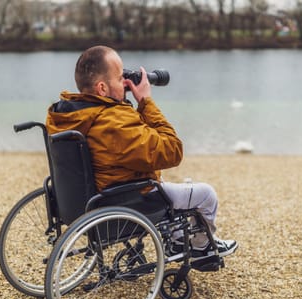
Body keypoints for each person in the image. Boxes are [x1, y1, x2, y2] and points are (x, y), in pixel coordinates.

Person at [46, 45, 237, 257]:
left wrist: (119, 99)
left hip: (81, 204)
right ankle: (201, 246)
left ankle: (177, 239)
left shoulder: (70, 114)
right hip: (124, 202)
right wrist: (145, 101)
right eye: (120, 78)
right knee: (206, 194)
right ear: (102, 88)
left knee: (165, 183)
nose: (126, 82)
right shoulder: (113, 122)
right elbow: (172, 151)